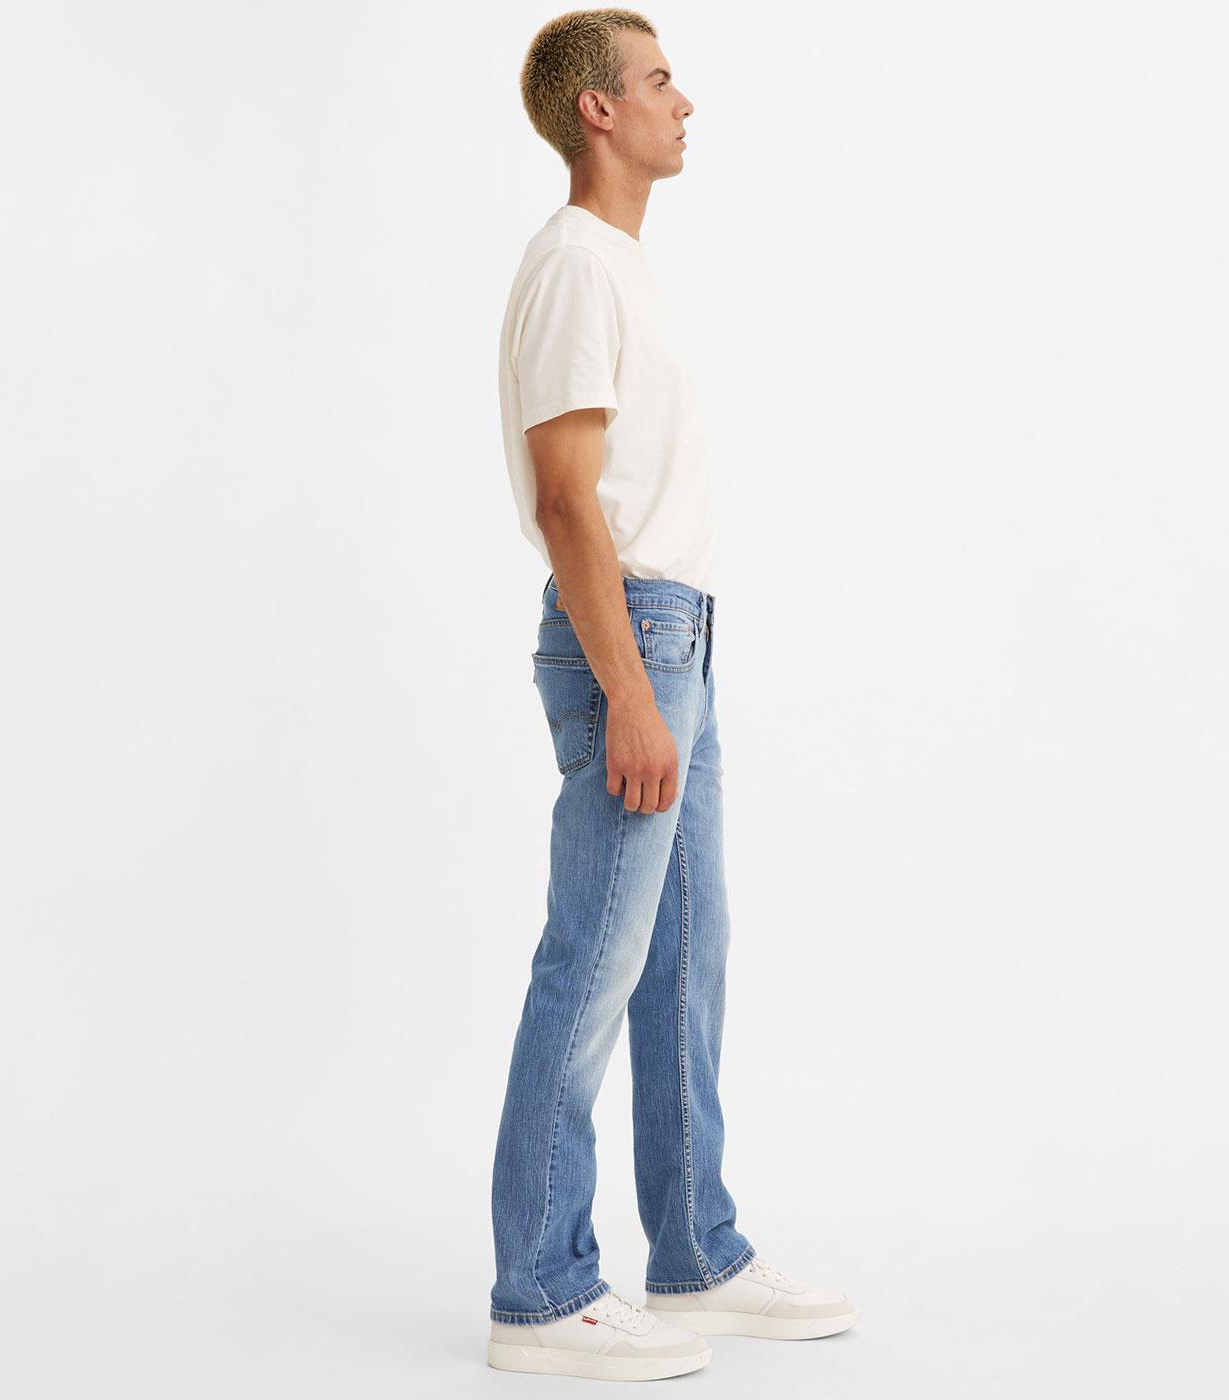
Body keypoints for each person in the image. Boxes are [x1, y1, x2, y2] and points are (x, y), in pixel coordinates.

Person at [487, 10, 856, 1381]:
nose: (683, 101)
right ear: (598, 110)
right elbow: (566, 500)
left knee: (684, 958)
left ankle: (695, 1252)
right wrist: (633, 693)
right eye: (656, 80)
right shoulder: (577, 266)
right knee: (590, 960)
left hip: (677, 632)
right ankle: (539, 1291)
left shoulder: (621, 268)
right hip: (630, 636)